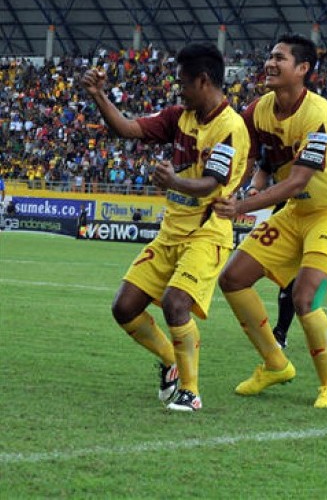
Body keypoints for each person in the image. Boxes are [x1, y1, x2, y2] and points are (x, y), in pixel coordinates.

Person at [80, 43, 250, 411]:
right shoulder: (179, 116)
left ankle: (190, 392)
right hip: (171, 231)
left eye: (182, 83)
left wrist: (172, 182)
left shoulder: (230, 126)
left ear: (203, 81)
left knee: (176, 303)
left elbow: (211, 183)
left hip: (207, 233)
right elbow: (127, 129)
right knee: (123, 308)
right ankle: (171, 361)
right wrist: (98, 95)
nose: (177, 89)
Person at [214, 34, 327, 409]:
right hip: (296, 212)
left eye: (280, 58)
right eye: (269, 56)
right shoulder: (258, 109)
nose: (270, 63)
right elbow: (245, 156)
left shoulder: (320, 114)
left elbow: (297, 180)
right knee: (232, 278)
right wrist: (233, 185)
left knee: (305, 296)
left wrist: (244, 205)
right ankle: (275, 364)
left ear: (303, 69)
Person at [242, 164, 296, 349]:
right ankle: (276, 332)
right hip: (283, 209)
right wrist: (254, 187)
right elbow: (265, 166)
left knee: (296, 282)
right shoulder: (275, 143)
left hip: (314, 211)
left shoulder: (315, 140)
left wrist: (244, 205)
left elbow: (298, 181)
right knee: (236, 275)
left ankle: (281, 332)